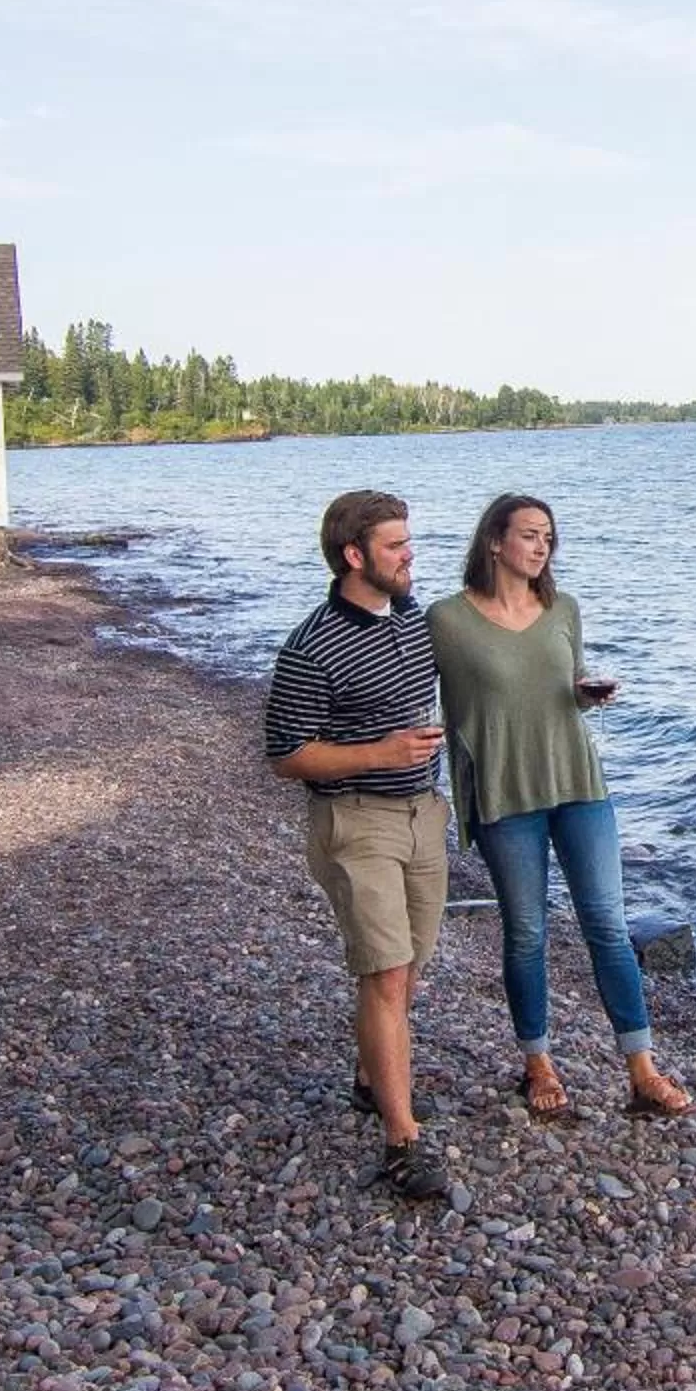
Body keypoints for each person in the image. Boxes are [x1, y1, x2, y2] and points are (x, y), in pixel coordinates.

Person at [428, 493, 691, 1122]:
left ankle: (641, 1070)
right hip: (503, 794)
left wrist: (586, 697)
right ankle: (537, 1063)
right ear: (495, 541)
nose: (542, 545)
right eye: (529, 534)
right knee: (526, 933)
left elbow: (566, 692)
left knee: (606, 925)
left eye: (548, 535)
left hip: (579, 786)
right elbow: (417, 691)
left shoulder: (563, 608)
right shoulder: (446, 620)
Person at [265, 490, 454, 1200]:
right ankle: (403, 1139)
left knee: (407, 971)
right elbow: (286, 754)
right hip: (354, 820)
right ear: (354, 556)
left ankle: (372, 1078)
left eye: (409, 541)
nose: (411, 556)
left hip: (423, 815)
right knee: (385, 972)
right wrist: (381, 752)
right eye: (396, 546)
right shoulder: (312, 644)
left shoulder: (409, 616)